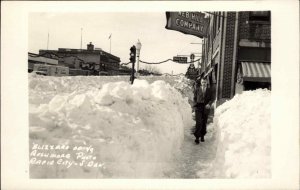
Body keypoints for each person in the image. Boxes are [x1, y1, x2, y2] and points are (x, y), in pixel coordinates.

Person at [193, 77, 213, 144]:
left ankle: (202, 136)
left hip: (206, 107)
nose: (204, 83)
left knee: (204, 122)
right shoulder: (197, 89)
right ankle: (197, 137)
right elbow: (194, 98)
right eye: (202, 82)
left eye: (205, 82)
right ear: (201, 83)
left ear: (206, 83)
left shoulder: (209, 90)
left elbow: (211, 99)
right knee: (198, 122)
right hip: (198, 107)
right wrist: (195, 105)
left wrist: (209, 104)